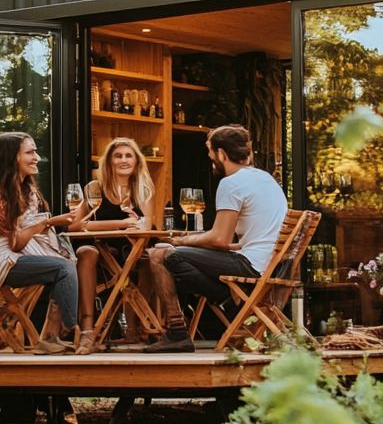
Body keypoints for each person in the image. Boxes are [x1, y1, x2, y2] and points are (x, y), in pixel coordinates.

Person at [145, 124, 288, 352]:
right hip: (271, 265)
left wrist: (180, 241)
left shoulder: (231, 183)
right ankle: (228, 305)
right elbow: (245, 237)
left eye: (211, 151)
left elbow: (219, 239)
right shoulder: (265, 178)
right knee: (172, 255)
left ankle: (178, 332)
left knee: (160, 254)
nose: (210, 157)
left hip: (251, 266)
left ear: (221, 154)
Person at [0, 132, 82, 354]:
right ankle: (72, 329)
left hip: (14, 255)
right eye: (30, 152)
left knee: (65, 263)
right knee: (63, 267)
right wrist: (47, 222)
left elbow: (24, 233)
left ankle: (51, 336)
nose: (36, 157)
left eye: (36, 151)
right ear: (12, 158)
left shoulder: (24, 190)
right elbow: (15, 243)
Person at [73, 137, 155, 355]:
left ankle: (139, 327)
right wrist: (120, 223)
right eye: (118, 156)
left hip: (131, 250)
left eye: (129, 156)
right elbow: (76, 225)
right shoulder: (94, 188)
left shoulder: (143, 189)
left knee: (155, 258)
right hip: (100, 249)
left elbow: (147, 224)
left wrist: (136, 223)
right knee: (85, 252)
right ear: (108, 162)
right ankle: (88, 329)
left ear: (137, 161)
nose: (123, 160)